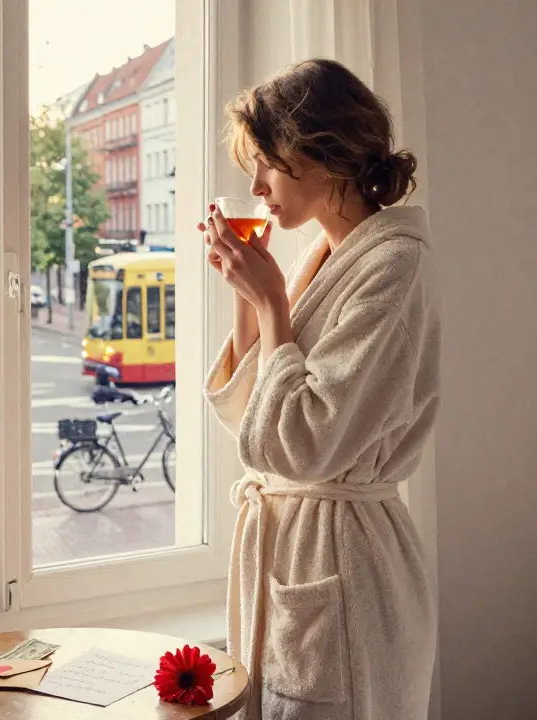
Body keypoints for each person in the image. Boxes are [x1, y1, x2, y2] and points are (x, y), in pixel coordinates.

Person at [200, 58, 440, 720]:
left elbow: (306, 444)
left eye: (269, 163)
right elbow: (259, 431)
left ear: (326, 157)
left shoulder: (393, 265)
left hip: (346, 556)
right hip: (297, 545)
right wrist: (251, 300)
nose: (256, 184)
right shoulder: (327, 257)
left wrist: (274, 302)